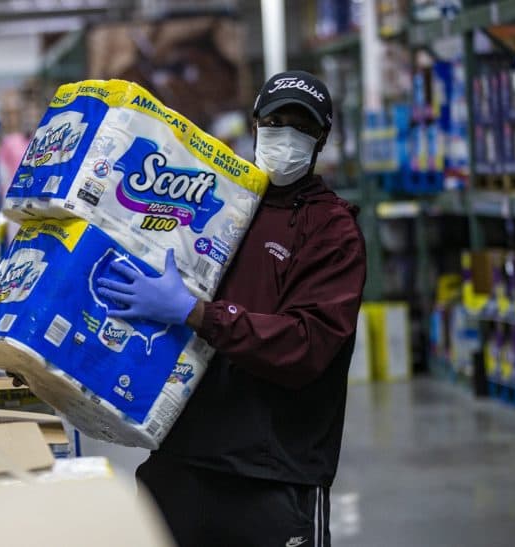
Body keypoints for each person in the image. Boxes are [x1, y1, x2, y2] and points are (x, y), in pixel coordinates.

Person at [96, 70, 367, 547]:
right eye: (275, 120)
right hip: (183, 455)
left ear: (322, 137)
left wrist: (198, 313)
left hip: (272, 471)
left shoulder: (332, 230)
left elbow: (307, 345)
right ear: (255, 122)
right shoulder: (216, 201)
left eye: (301, 126)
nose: (286, 134)